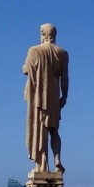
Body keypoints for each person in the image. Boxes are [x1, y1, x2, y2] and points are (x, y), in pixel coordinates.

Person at [23, 23, 69, 173]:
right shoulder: (62, 53)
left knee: (40, 128)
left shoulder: (34, 50)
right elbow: (65, 78)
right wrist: (64, 97)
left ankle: (42, 164)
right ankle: (57, 159)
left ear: (43, 35)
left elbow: (26, 70)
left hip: (38, 96)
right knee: (54, 130)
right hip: (54, 94)